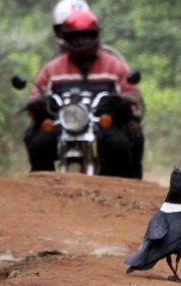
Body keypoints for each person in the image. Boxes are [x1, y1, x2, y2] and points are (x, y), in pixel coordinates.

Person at [24, 9, 145, 178]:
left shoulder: (114, 65)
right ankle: (42, 189)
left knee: (120, 145)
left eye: (85, 36)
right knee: (38, 144)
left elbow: (131, 92)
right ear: (65, 38)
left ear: (95, 36)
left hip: (102, 123)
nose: (81, 41)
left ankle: (118, 190)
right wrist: (37, 103)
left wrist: (126, 102)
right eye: (75, 37)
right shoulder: (52, 68)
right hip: (62, 124)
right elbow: (37, 93)